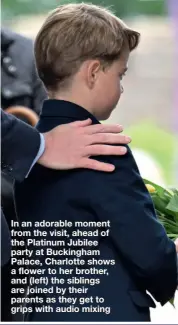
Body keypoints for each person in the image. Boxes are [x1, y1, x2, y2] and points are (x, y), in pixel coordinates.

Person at [14, 4, 177, 322]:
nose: (121, 87)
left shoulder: (33, 148)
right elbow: (149, 255)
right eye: (120, 74)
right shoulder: (100, 147)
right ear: (92, 73)